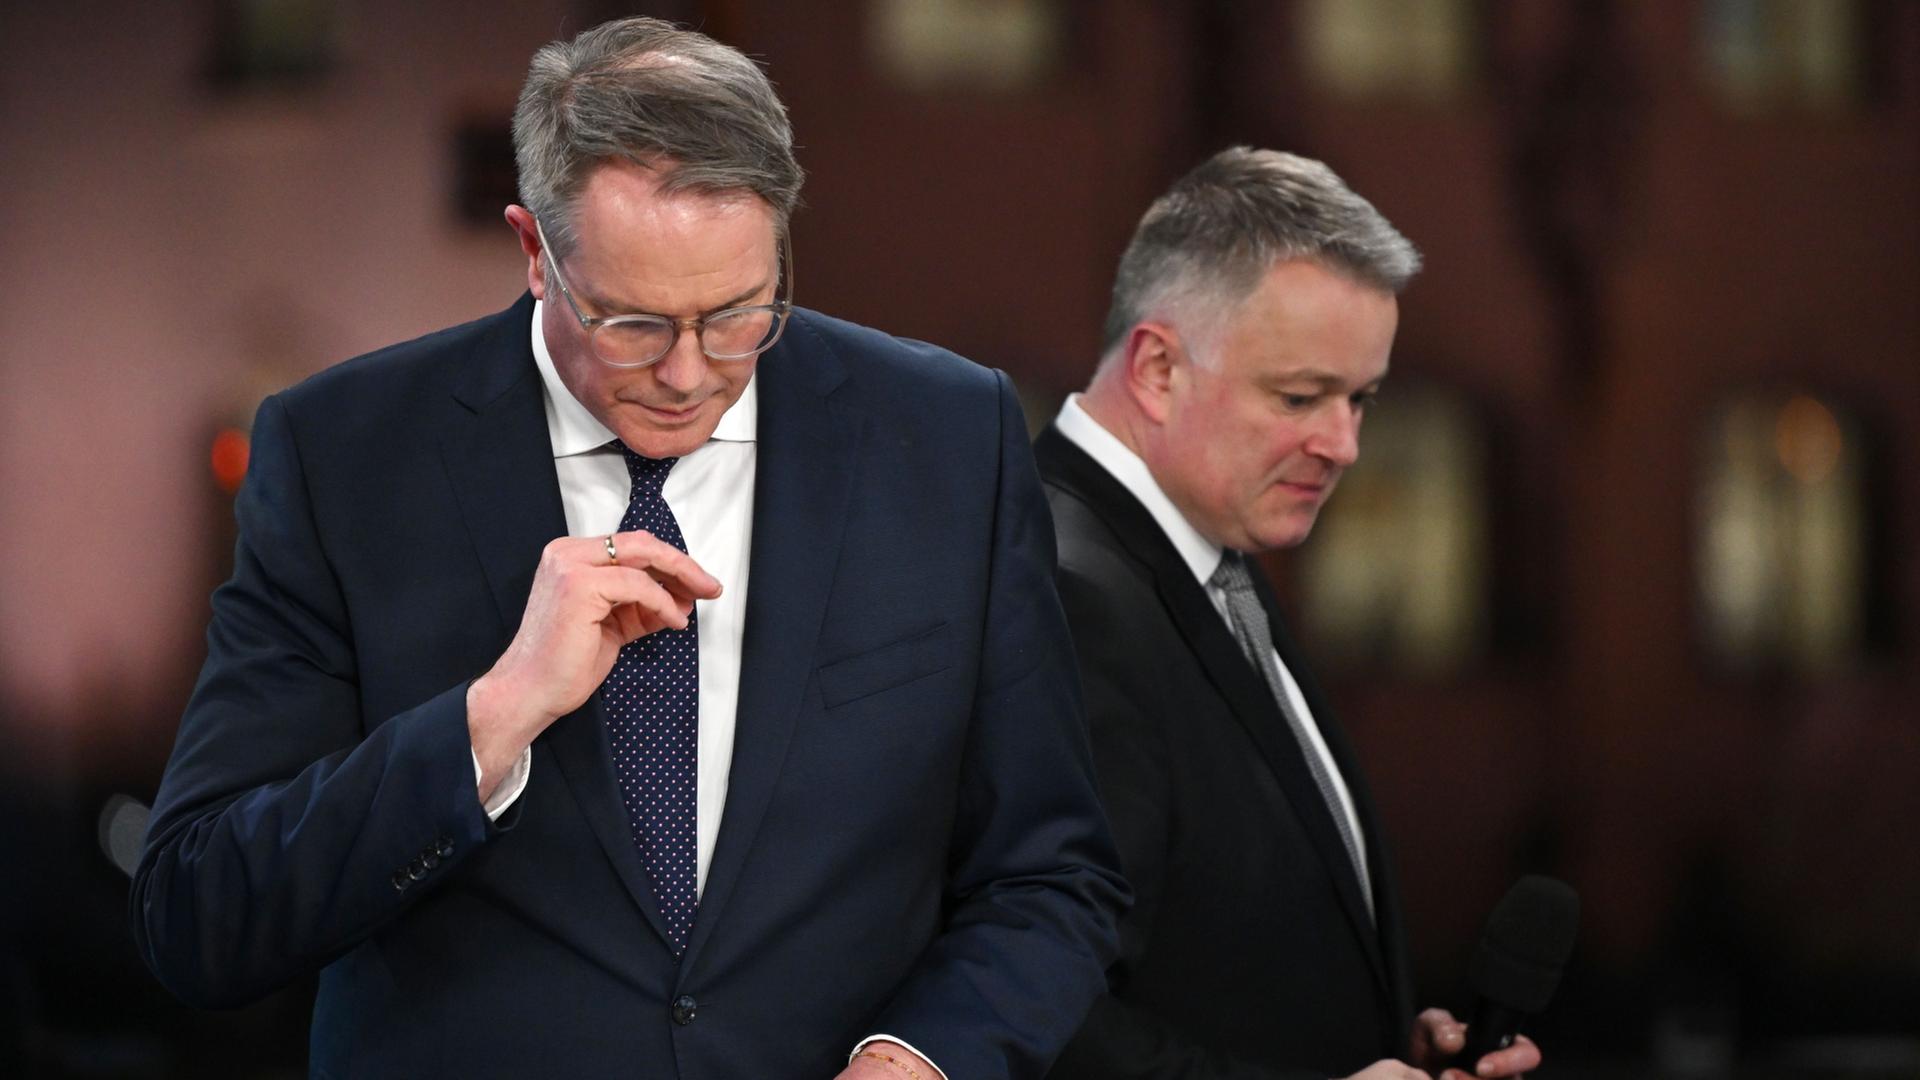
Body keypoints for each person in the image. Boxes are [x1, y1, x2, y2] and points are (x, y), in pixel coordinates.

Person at [131, 17, 1126, 1079]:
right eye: (634, 325)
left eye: (742, 313)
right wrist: (492, 717)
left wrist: (922, 1058)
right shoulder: (341, 457)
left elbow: (1049, 879)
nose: (692, 373)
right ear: (532, 252)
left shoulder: (947, 438)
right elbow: (200, 915)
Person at [1037, 148, 1543, 1080]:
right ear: (1156, 367)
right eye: (1302, 396)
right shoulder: (1070, 590)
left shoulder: (1209, 553)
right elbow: (1036, 1010)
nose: (1345, 444)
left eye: (1362, 399)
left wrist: (1391, 1045)